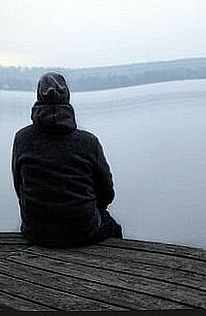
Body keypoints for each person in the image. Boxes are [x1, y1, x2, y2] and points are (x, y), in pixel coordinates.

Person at [11, 72, 122, 248]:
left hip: (36, 231)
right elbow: (107, 193)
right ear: (67, 97)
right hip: (83, 230)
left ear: (39, 96)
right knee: (114, 229)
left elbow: (19, 187)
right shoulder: (88, 142)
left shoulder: (21, 139)